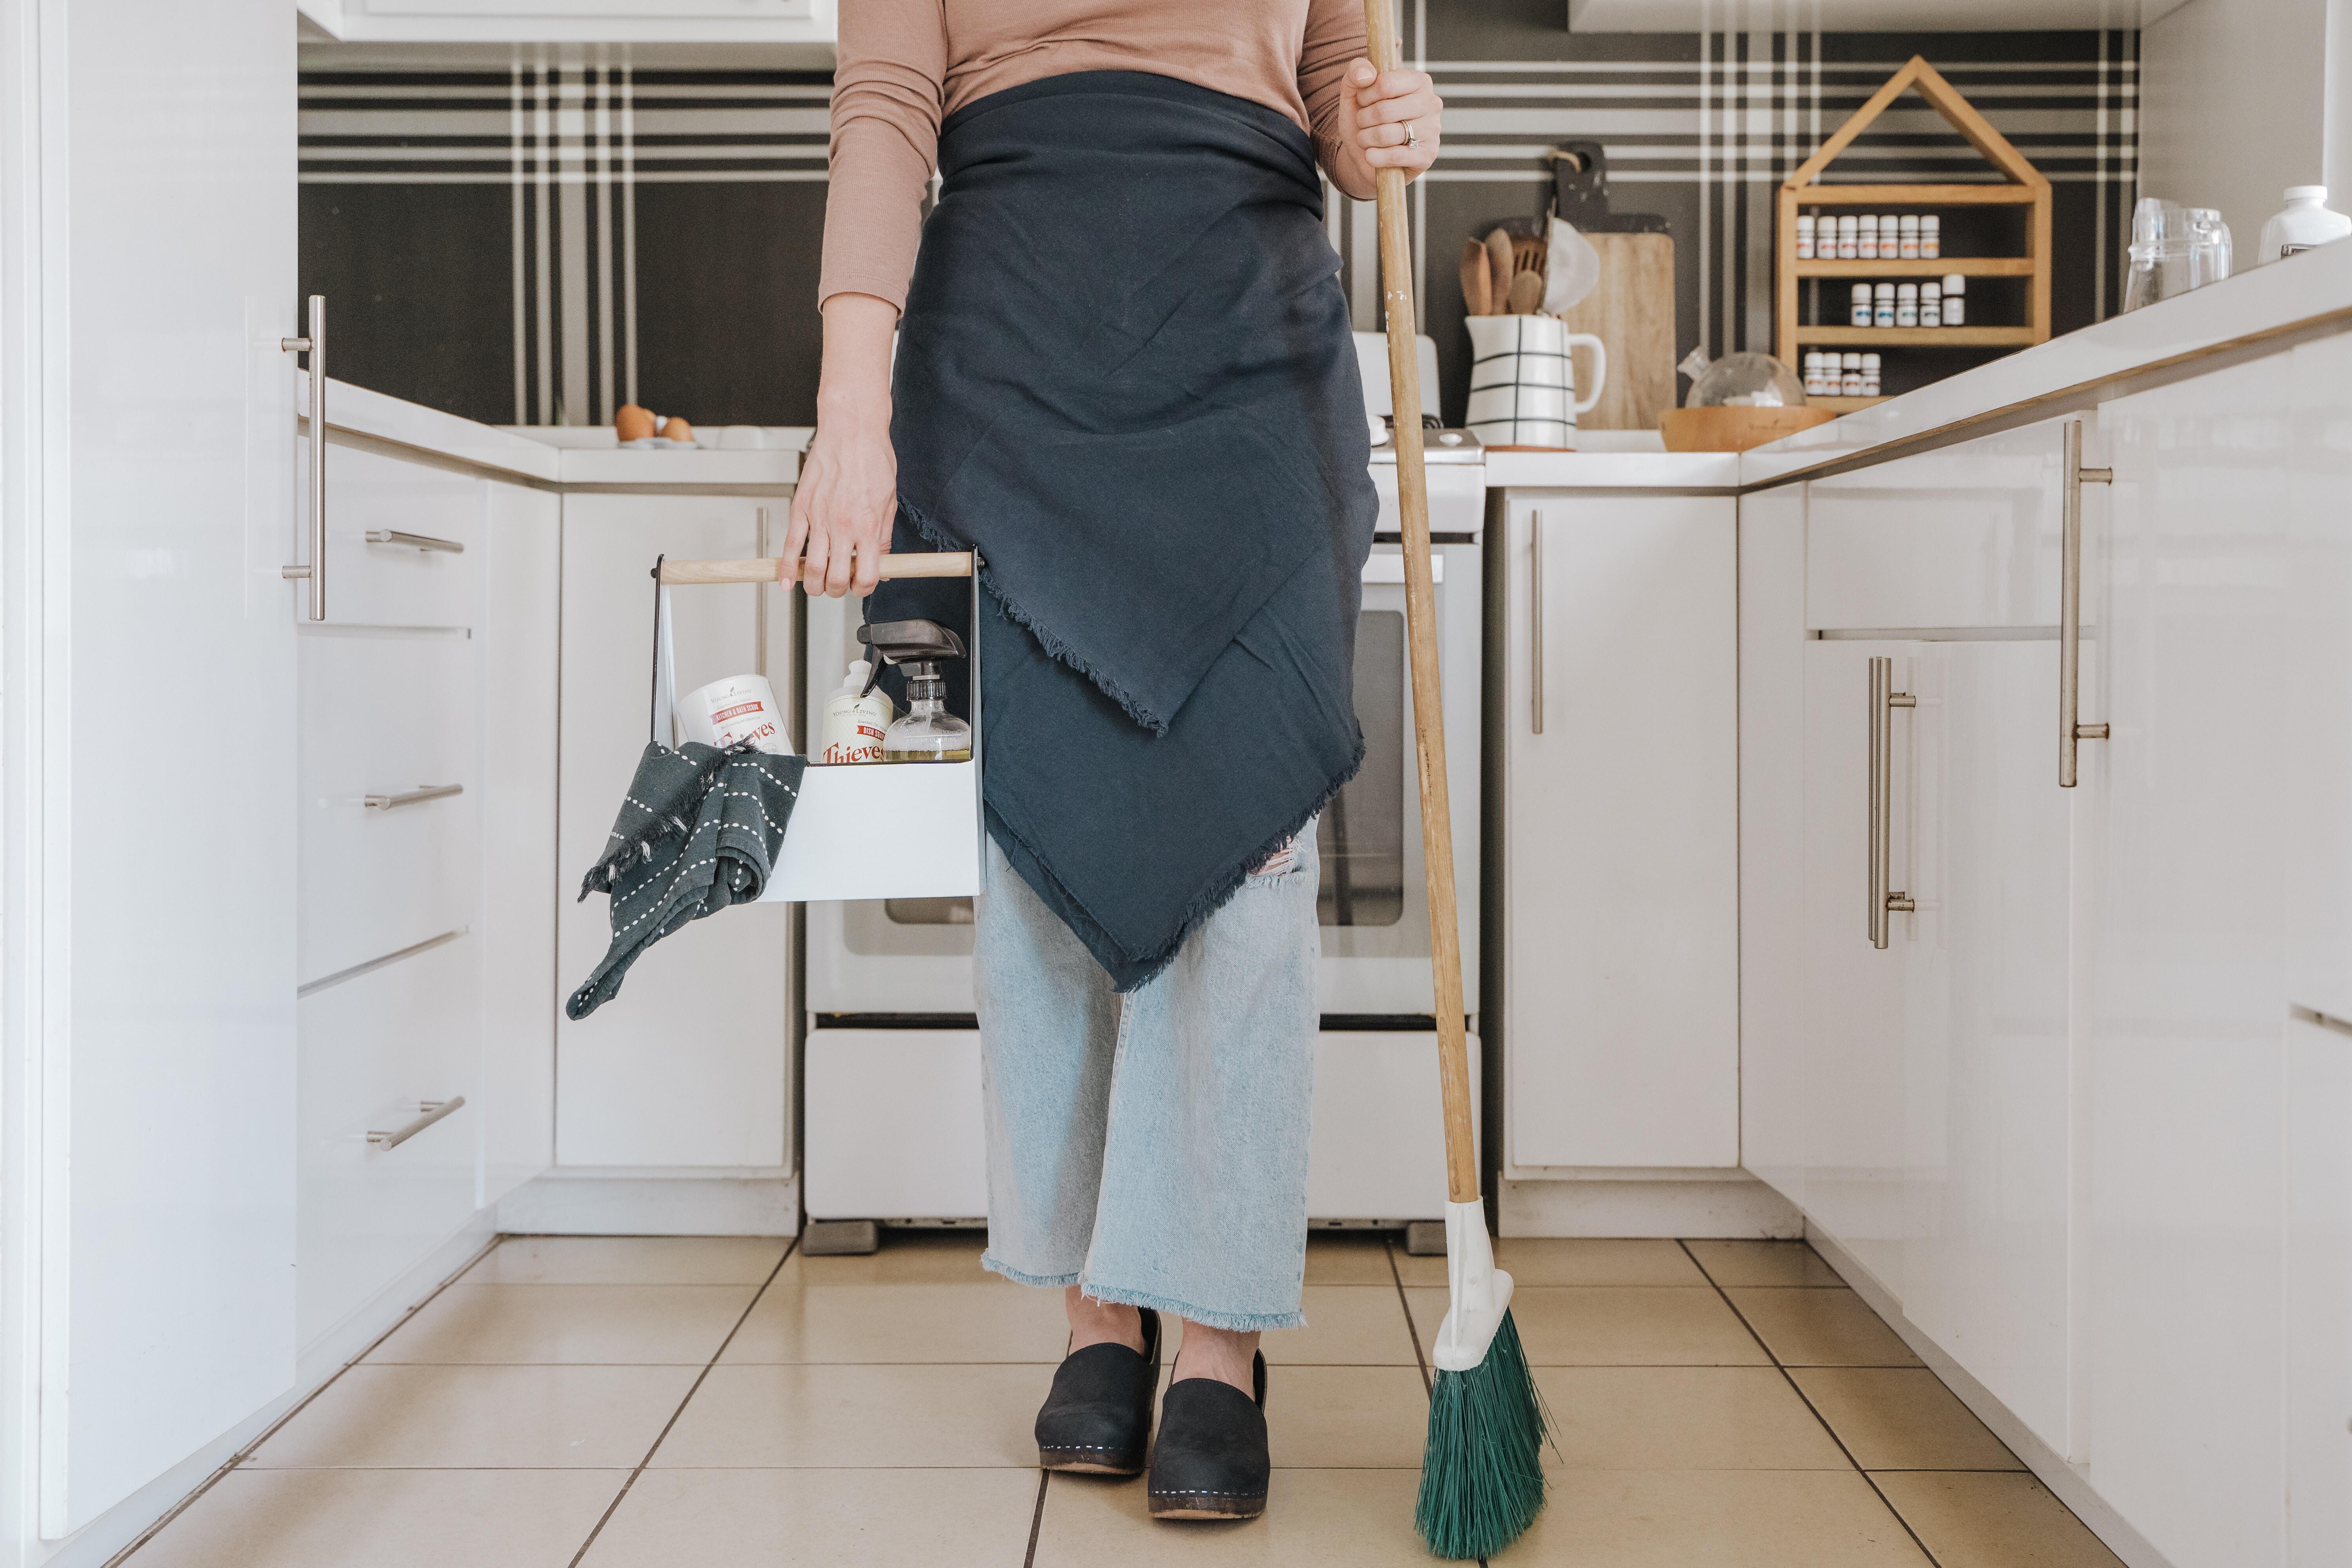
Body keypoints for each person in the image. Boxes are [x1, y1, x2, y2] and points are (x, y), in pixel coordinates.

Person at [788, 0, 1441, 1522]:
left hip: (1250, 337)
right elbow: (886, 101)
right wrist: (848, 408)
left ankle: (1216, 1330)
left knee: (1248, 836)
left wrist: (1372, 131)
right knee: (1039, 836)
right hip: (1008, 336)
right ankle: (1098, 1300)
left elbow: (1338, 79)